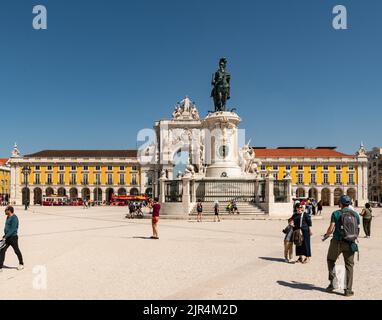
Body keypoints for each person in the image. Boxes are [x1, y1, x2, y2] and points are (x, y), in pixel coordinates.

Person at [323, 195, 360, 297]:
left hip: (337, 242)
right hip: (350, 242)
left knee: (330, 260)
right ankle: (348, 290)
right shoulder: (355, 214)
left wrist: (326, 235)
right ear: (349, 203)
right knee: (349, 266)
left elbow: (331, 229)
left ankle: (333, 284)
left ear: (340, 203)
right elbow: (357, 229)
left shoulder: (336, 213)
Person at [0, 206, 24, 272]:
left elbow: (13, 229)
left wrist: (6, 236)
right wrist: (5, 235)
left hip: (13, 238)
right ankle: (0, 266)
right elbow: (8, 228)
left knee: (16, 251)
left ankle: (21, 263)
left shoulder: (14, 218)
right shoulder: (8, 217)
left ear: (9, 210)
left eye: (6, 210)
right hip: (7, 237)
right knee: (2, 250)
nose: (4, 211)